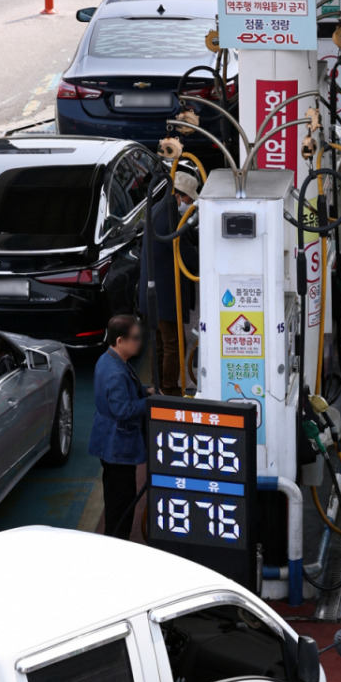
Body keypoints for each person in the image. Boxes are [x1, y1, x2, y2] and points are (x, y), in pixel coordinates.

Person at [88, 314, 153, 540]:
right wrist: (149, 402)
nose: (139, 342)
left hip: (109, 444)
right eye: (135, 338)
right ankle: (117, 544)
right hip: (118, 448)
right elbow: (123, 410)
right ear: (119, 341)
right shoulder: (116, 372)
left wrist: (144, 391)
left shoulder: (108, 360)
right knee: (121, 505)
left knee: (118, 500)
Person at [139, 171, 200, 395]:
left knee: (160, 343)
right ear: (178, 196)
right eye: (189, 200)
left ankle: (157, 386)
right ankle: (170, 390)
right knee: (174, 344)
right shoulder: (169, 220)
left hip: (153, 293)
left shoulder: (159, 210)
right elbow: (188, 257)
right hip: (165, 295)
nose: (191, 204)